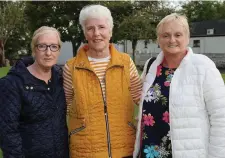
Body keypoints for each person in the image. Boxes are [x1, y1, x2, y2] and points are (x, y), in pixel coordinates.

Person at [133, 13, 225, 158]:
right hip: (150, 151)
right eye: (165, 35)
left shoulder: (203, 66)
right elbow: (140, 99)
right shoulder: (151, 66)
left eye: (178, 34)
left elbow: (221, 117)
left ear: (187, 38)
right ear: (158, 39)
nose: (172, 40)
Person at [63, 4, 142, 158]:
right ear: (85, 33)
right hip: (85, 151)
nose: (96, 33)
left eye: (101, 27)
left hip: (124, 148)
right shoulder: (71, 67)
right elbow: (66, 106)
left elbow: (141, 99)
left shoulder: (126, 62)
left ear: (110, 31)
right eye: (90, 28)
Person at [0, 26, 69, 158]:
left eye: (54, 46)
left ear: (59, 50)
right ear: (34, 49)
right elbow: (7, 133)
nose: (48, 53)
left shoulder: (60, 79)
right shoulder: (12, 83)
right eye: (42, 46)